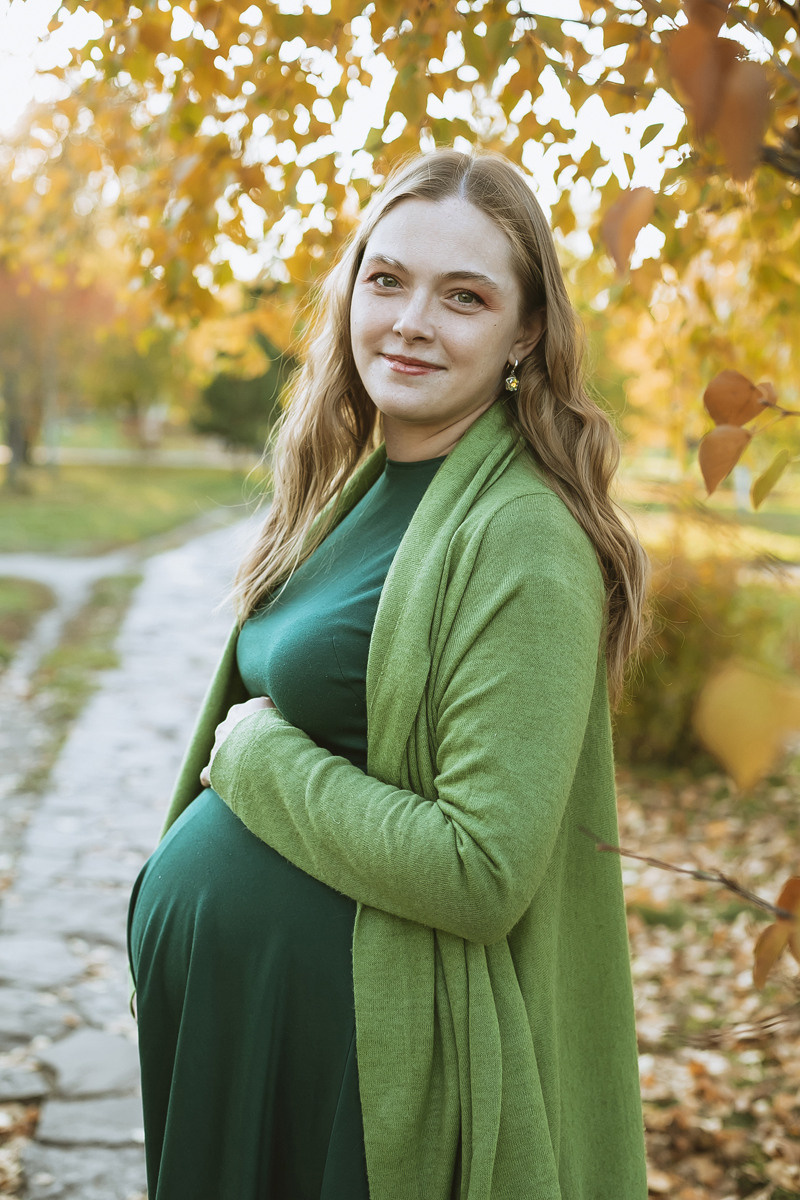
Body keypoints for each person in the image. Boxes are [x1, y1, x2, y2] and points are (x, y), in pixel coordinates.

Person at [127, 147, 650, 1200]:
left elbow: (479, 869)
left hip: (358, 1079)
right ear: (352, 291)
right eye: (387, 280)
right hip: (255, 1035)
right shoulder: (363, 483)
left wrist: (260, 763)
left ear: (525, 332)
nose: (411, 321)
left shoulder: (522, 539)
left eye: (463, 297)